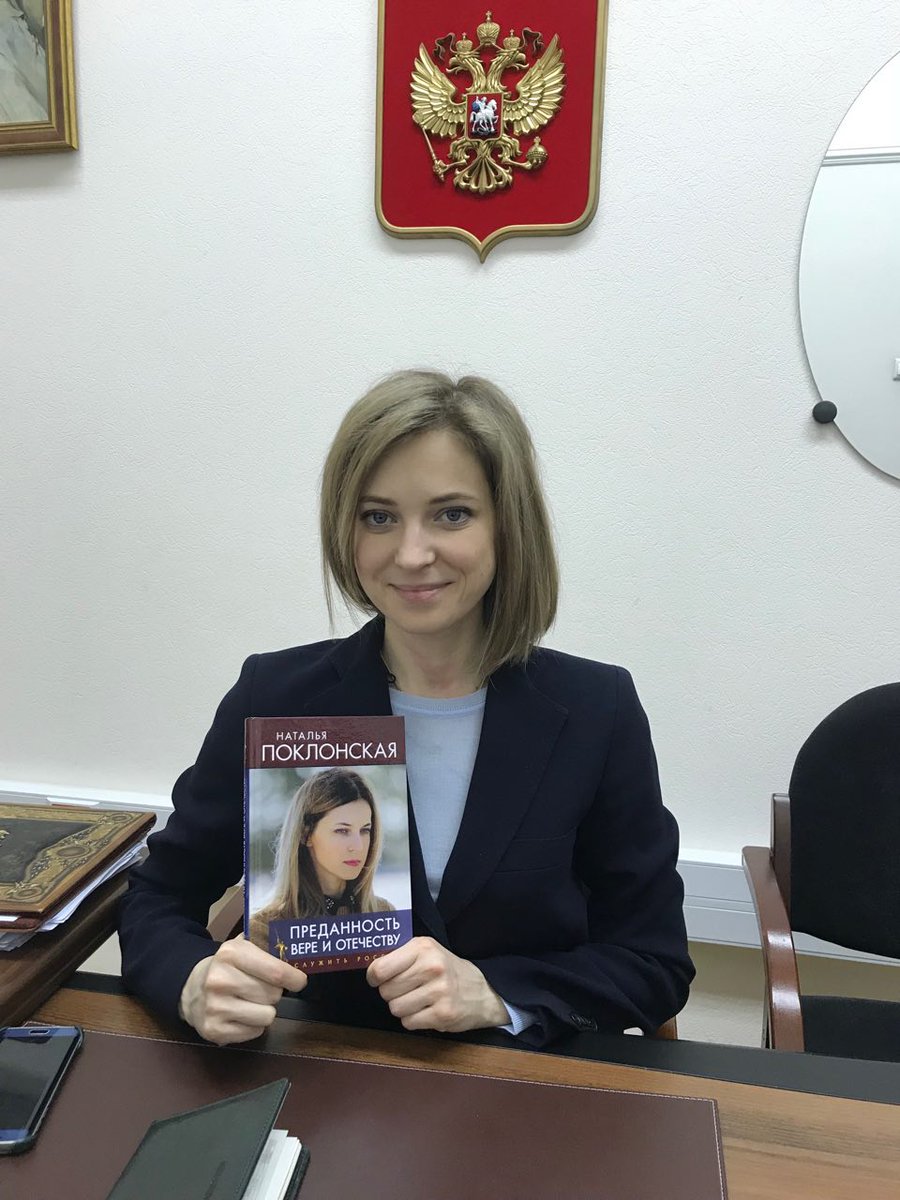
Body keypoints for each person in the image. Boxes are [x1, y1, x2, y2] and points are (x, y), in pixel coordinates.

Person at [119, 370, 694, 1048]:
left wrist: (496, 995)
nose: (412, 554)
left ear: (507, 527)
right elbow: (158, 897)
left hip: (523, 1080)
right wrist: (192, 981)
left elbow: (652, 961)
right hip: (331, 1070)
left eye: (452, 514)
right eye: (379, 517)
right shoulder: (274, 695)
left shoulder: (596, 711)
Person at [247, 766, 394, 951]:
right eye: (342, 830)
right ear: (306, 835)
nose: (358, 846)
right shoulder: (264, 929)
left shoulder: (384, 914)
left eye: (365, 830)